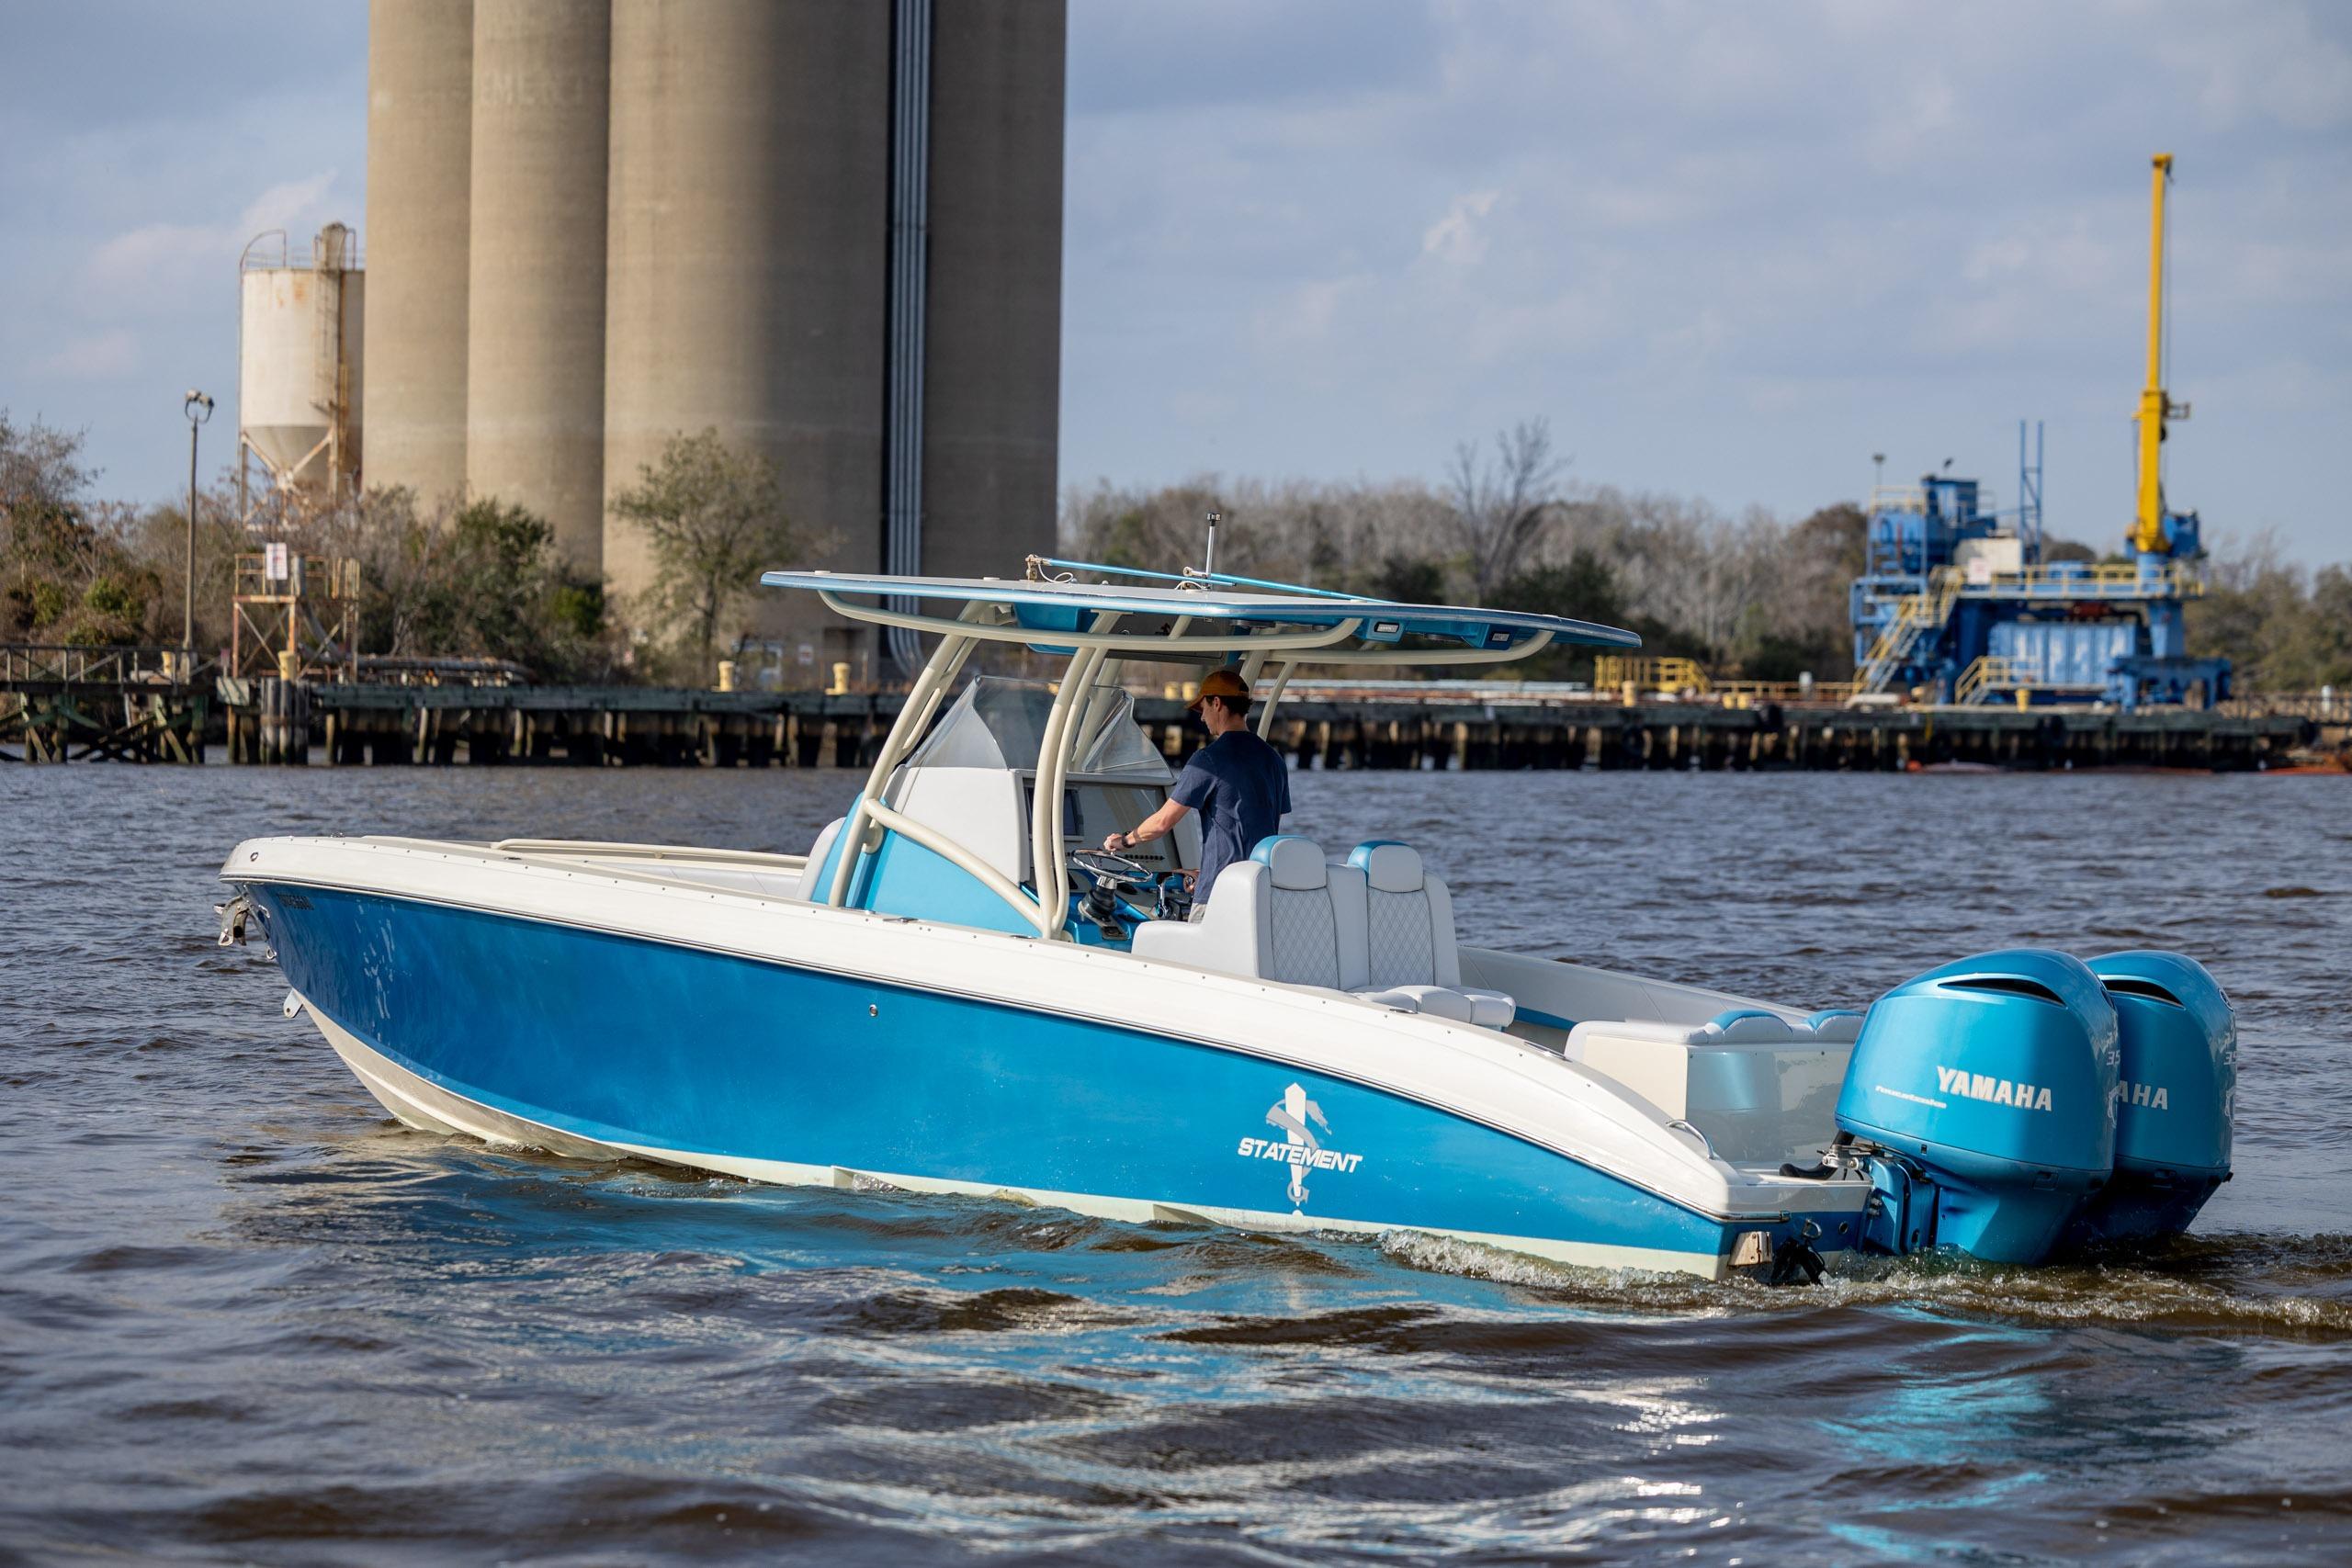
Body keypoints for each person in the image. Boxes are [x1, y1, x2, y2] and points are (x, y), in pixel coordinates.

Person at [1101, 666, 1290, 908]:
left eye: (1203, 708)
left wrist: (1125, 841)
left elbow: (1162, 823)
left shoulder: (1209, 760)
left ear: (1217, 703)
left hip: (1219, 894)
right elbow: (1261, 825)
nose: (1201, 717)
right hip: (1260, 890)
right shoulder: (1273, 760)